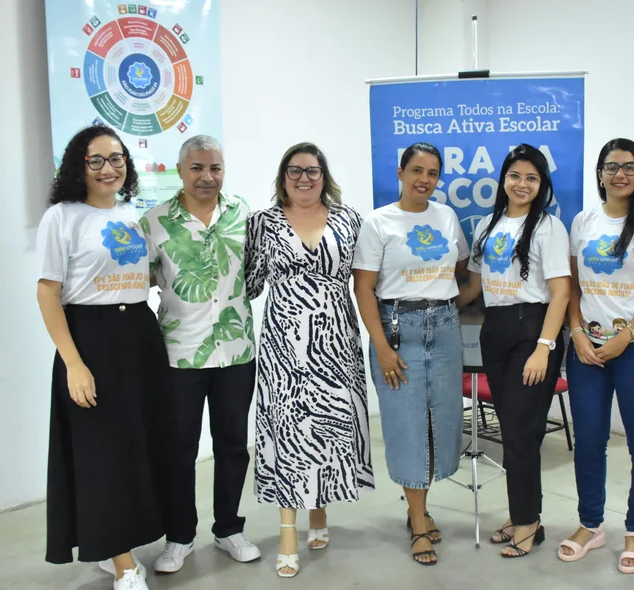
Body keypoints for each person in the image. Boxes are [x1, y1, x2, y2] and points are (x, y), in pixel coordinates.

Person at [37, 124, 176, 590]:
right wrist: (74, 363)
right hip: (90, 340)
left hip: (138, 334)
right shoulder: (62, 217)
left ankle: (117, 543)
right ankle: (123, 565)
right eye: (96, 159)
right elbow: (48, 292)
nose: (108, 168)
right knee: (104, 454)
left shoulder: (132, 214)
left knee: (139, 448)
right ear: (79, 166)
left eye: (116, 158)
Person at [245, 142, 374, 578]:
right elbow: (247, 285)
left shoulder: (349, 219)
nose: (304, 178)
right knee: (289, 434)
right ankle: (287, 532)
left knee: (328, 427)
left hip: (337, 342)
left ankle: (319, 512)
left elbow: (365, 282)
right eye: (295, 170)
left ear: (325, 176)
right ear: (283, 176)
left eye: (313, 171)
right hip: (284, 345)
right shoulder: (261, 224)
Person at [140, 135, 261, 574]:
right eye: (197, 168)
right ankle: (179, 536)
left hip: (236, 351)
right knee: (178, 450)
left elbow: (258, 273)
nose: (207, 177)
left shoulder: (245, 215)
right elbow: (141, 283)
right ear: (180, 170)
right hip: (179, 354)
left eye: (215, 168)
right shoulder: (154, 222)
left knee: (232, 446)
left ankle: (229, 528)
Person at [557, 138, 634, 574]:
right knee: (589, 440)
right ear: (600, 172)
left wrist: (627, 336)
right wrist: (575, 333)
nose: (620, 174)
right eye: (612, 166)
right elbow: (571, 286)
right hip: (587, 349)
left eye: (629, 166)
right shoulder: (583, 221)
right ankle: (591, 524)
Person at [353, 142, 466, 566]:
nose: (425, 179)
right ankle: (418, 520)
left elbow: (462, 272)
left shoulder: (447, 216)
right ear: (400, 172)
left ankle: (418, 508)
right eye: (416, 170)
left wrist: (453, 305)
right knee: (406, 426)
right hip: (398, 331)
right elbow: (363, 288)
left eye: (433, 173)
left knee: (441, 423)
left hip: (446, 327)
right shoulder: (379, 222)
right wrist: (381, 346)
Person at [457, 143, 571, 559]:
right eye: (515, 176)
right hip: (496, 330)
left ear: (541, 185)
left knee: (523, 434)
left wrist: (544, 348)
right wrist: (433, 300)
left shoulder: (549, 228)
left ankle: (528, 522)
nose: (522, 184)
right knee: (513, 433)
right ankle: (521, 513)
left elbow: (561, 292)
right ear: (503, 179)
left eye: (532, 178)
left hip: (532, 331)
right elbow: (473, 286)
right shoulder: (488, 225)